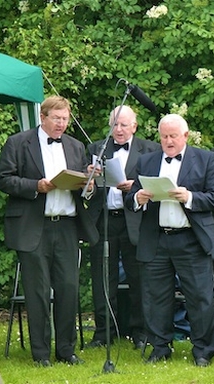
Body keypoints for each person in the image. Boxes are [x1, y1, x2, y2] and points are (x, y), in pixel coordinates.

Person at [0, 95, 98, 366]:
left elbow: (84, 187)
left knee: (68, 288)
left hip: (66, 226)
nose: (61, 124)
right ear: (43, 117)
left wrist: (88, 184)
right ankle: (41, 354)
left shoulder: (76, 146)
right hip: (34, 226)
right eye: (57, 118)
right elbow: (3, 179)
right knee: (38, 292)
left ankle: (66, 350)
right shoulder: (18, 143)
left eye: (65, 119)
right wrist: (35, 186)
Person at [124, 114, 214, 366]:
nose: (168, 141)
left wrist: (189, 197)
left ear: (186, 136)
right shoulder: (147, 161)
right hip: (156, 239)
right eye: (164, 136)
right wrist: (138, 199)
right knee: (155, 296)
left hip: (191, 238)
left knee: (200, 297)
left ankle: (203, 349)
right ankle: (160, 347)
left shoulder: (205, 159)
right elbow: (130, 197)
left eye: (173, 136)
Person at [85, 105, 160, 349]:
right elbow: (86, 189)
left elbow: (155, 184)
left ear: (134, 127)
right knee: (103, 278)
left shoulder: (150, 149)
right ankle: (103, 332)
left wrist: (135, 188)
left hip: (134, 219)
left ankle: (140, 331)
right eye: (115, 124)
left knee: (138, 276)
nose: (118, 129)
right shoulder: (96, 148)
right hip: (104, 219)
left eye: (124, 125)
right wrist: (90, 180)